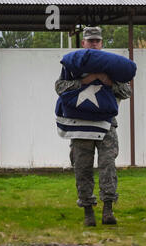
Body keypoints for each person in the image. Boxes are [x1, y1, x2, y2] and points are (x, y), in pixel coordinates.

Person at [55, 26, 131, 226]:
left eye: (97, 41)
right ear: (84, 43)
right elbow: (60, 87)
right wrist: (85, 81)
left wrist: (109, 82)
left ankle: (108, 210)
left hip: (106, 125)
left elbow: (127, 91)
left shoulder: (112, 66)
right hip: (80, 125)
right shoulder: (73, 65)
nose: (94, 44)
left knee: (108, 166)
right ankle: (88, 211)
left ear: (102, 43)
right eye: (90, 41)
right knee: (82, 168)